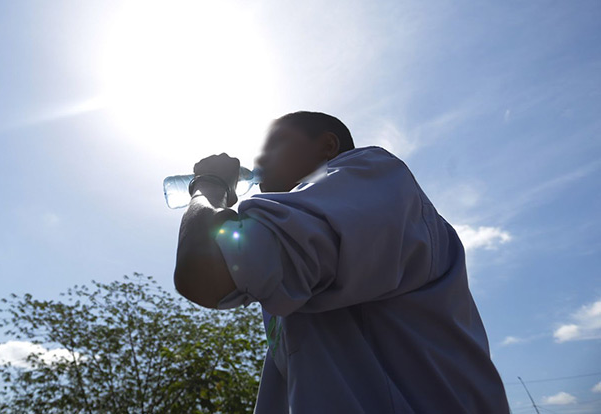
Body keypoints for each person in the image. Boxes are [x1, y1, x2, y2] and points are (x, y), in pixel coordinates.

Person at [174, 111, 510, 413]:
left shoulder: (371, 175)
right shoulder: (307, 244)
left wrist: (208, 186)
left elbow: (206, 272)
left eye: (276, 143)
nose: (260, 157)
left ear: (328, 146)